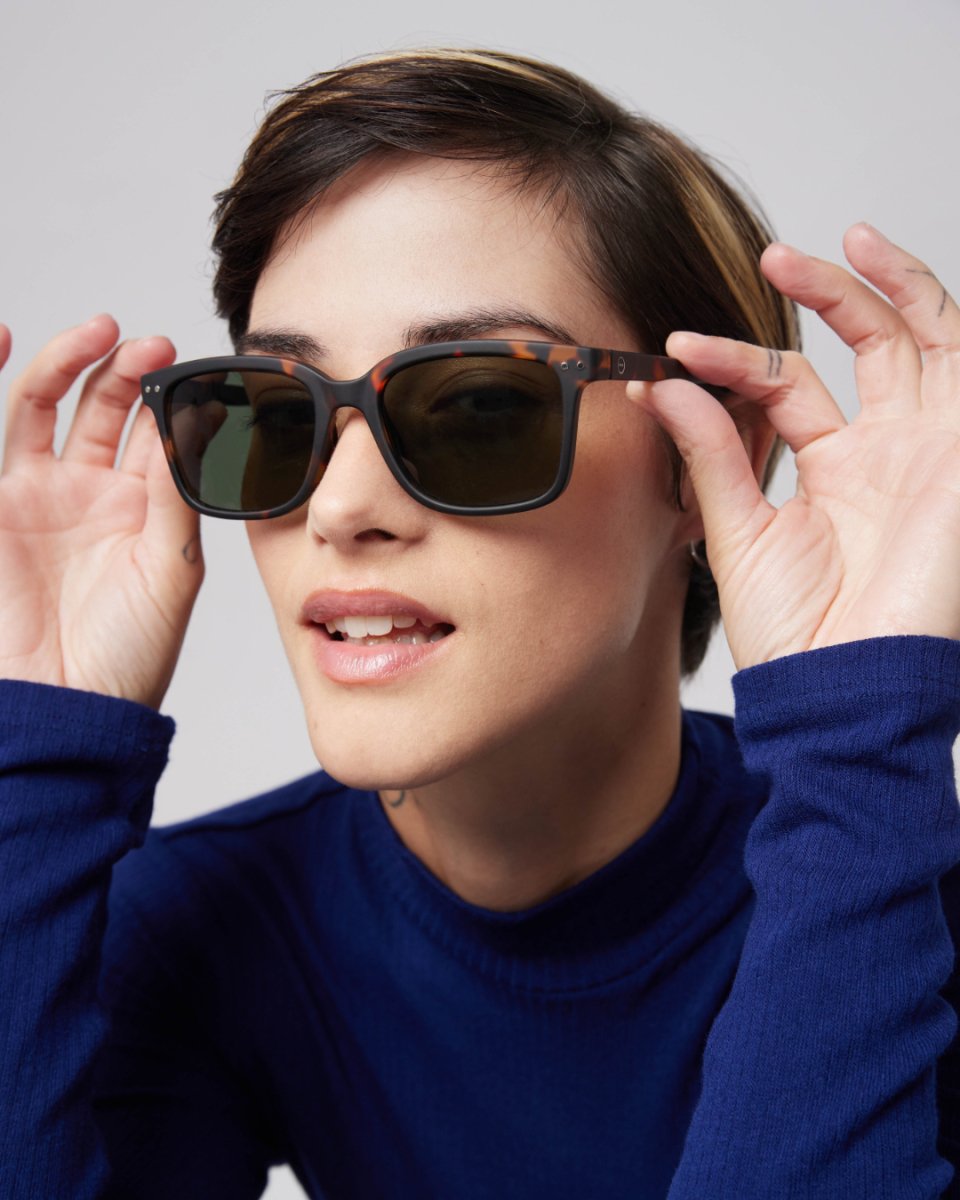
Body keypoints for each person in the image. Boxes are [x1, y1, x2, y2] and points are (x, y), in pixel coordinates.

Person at [1, 47, 959, 1199]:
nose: (340, 508)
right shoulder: (203, 928)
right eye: (275, 411)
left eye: (479, 406)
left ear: (705, 460)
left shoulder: (896, 882)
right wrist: (37, 762)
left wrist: (861, 736)